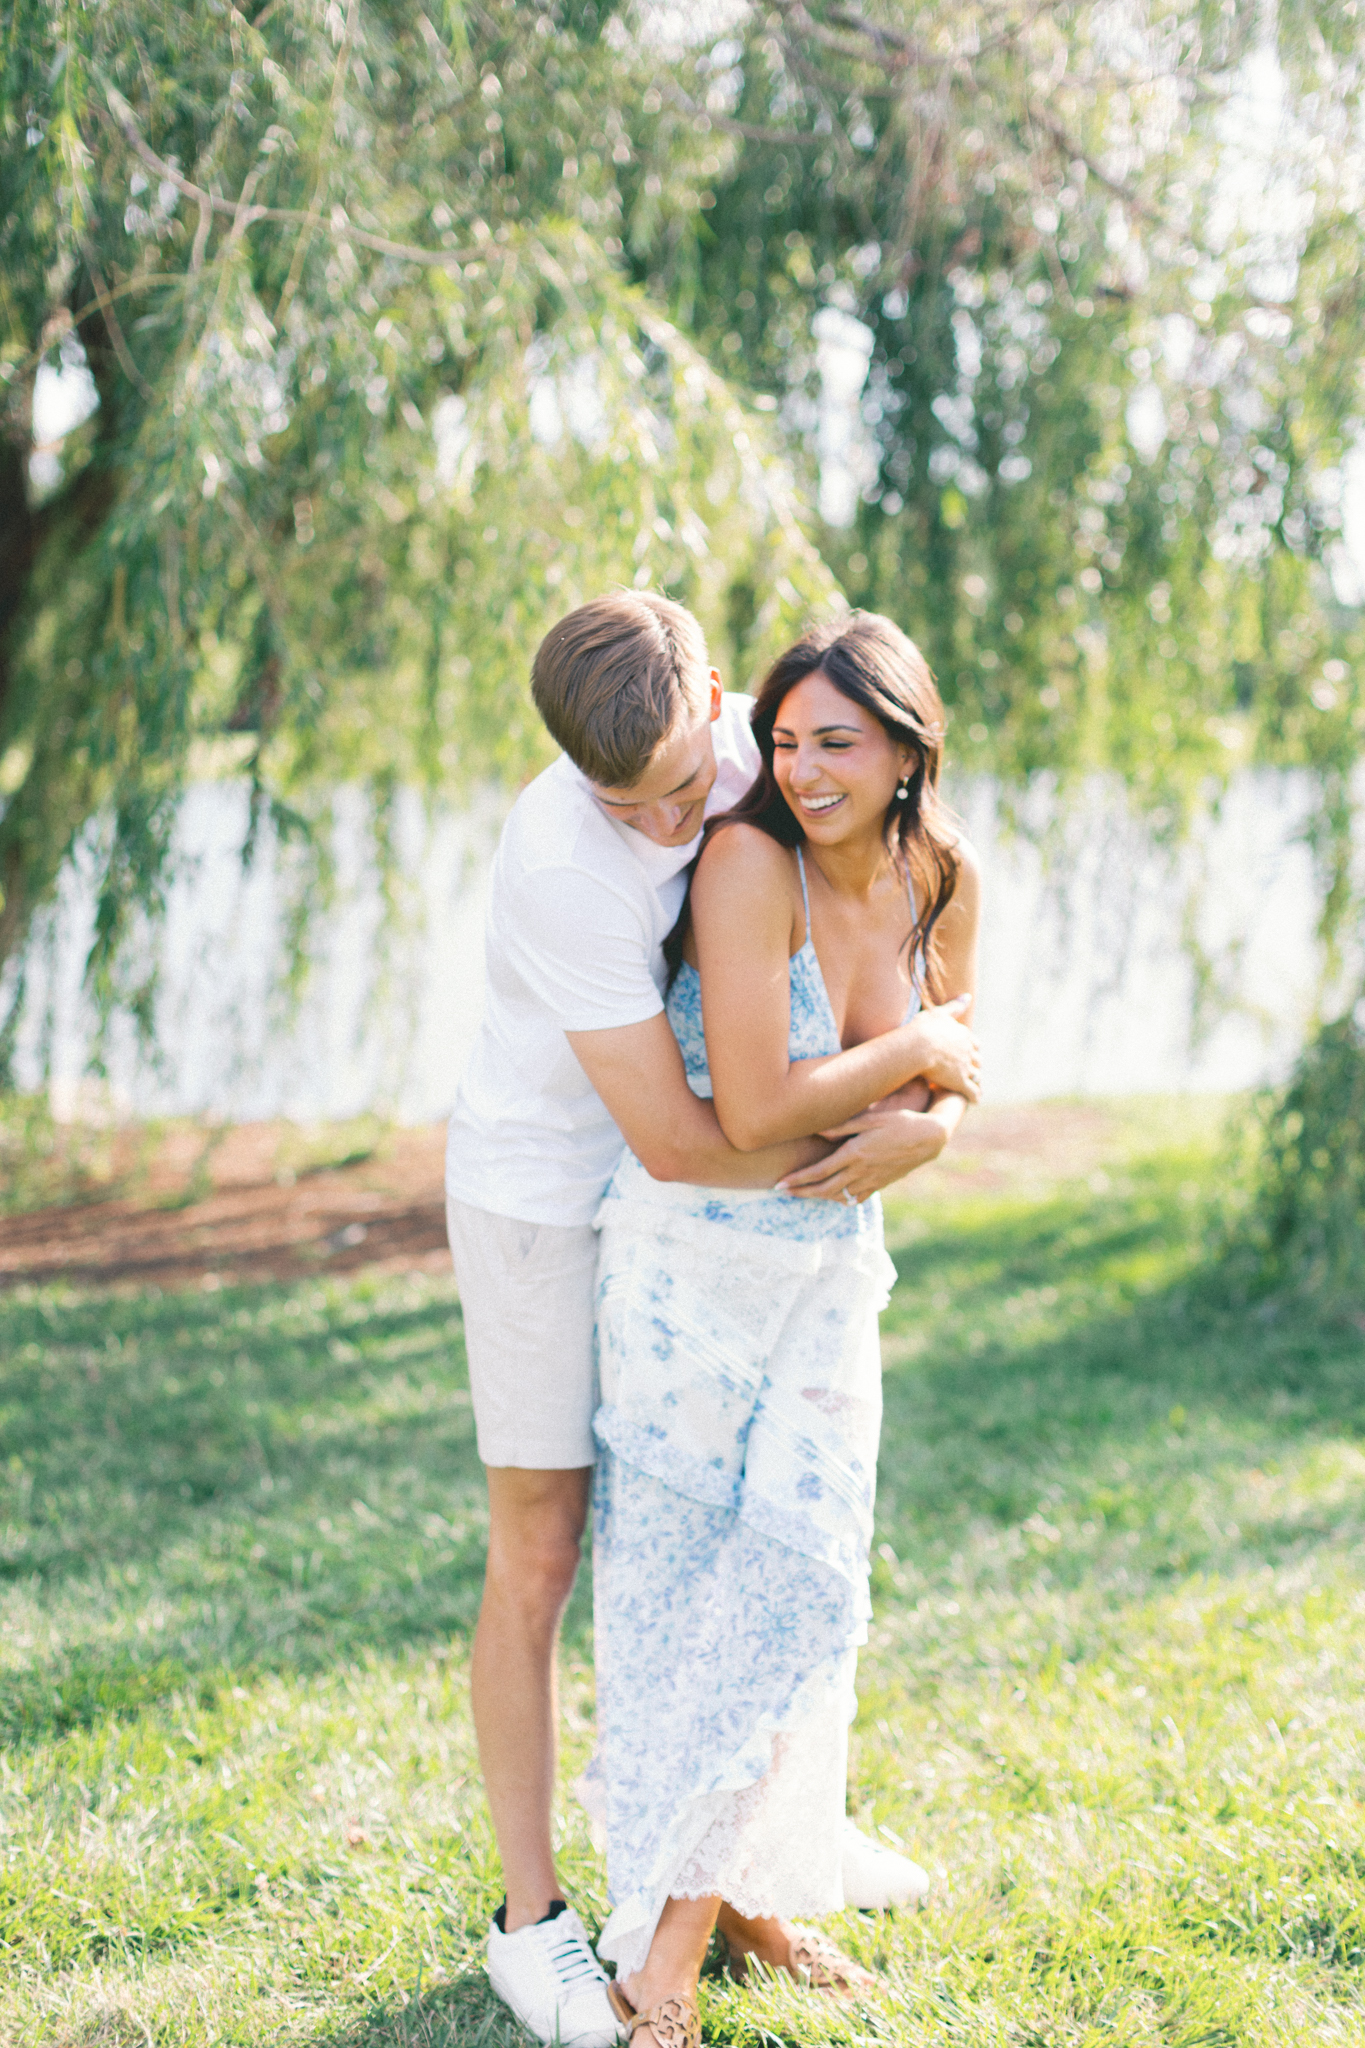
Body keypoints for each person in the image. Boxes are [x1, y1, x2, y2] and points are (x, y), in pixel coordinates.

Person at [444, 593, 980, 2048]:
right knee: (547, 1546)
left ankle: (745, 1867)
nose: (685, 817)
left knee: (775, 1558)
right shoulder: (572, 866)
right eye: (643, 805)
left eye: (697, 777)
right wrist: (901, 1090)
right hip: (556, 1195)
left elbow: (949, 1013)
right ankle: (535, 1924)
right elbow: (692, 1140)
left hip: (759, 1211)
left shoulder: (764, 760)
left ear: (711, 698)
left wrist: (923, 1125)